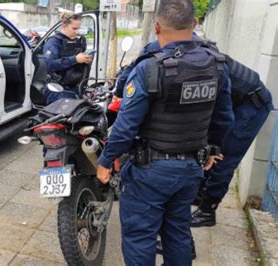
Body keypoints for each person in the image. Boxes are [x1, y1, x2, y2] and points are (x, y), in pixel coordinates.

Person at [96, 0, 234, 265]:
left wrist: (105, 162)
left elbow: (126, 126)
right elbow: (224, 118)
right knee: (177, 233)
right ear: (194, 24)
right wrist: (212, 151)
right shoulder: (217, 65)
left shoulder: (150, 67)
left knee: (140, 237)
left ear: (157, 27)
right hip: (190, 169)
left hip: (150, 172)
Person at [43, 12, 93, 104]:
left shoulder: (76, 41)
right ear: (64, 25)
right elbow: (50, 64)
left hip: (75, 88)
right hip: (57, 90)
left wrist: (84, 59)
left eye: (78, 28)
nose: (77, 32)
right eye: (74, 28)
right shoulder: (54, 42)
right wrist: (75, 59)